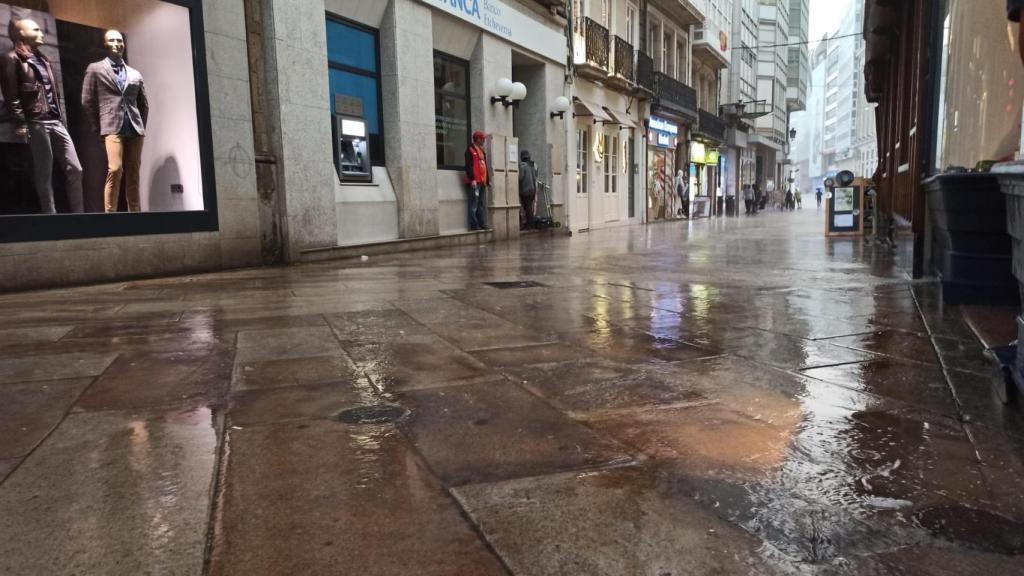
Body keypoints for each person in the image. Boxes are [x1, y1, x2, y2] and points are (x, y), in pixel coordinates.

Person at [1, 19, 83, 214]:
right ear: (21, 33)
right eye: (35, 29)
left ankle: (79, 215)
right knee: (44, 172)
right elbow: (11, 96)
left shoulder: (44, 59)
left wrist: (60, 117)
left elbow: (53, 92)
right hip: (36, 121)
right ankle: (50, 216)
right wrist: (21, 124)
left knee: (75, 169)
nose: (41, 33)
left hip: (55, 121)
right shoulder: (11, 58)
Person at [82, 29, 150, 213]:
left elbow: (144, 104)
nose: (117, 44)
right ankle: (110, 214)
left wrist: (141, 127)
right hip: (111, 127)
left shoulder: (135, 74)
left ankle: (135, 213)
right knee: (115, 169)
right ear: (105, 44)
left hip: (134, 128)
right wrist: (97, 128)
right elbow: (87, 101)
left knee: (133, 173)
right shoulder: (95, 68)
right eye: (112, 40)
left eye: (120, 40)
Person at [464, 130, 489, 230]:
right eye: (483, 138)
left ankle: (481, 223)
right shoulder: (470, 150)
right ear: (478, 139)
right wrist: (472, 179)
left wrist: (487, 180)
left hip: (482, 181)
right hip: (475, 182)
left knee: (480, 204)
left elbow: (484, 166)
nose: (484, 140)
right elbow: (468, 166)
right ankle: (474, 224)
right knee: (474, 203)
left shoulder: (481, 151)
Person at [518, 149, 537, 229]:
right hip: (532, 189)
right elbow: (535, 176)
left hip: (525, 190)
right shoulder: (532, 165)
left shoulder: (522, 166)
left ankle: (529, 224)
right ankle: (530, 223)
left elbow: (520, 178)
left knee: (527, 208)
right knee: (530, 207)